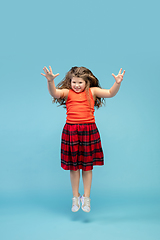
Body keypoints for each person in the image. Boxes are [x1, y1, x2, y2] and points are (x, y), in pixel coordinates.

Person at [41, 66, 125, 213]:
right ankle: (75, 197)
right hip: (71, 131)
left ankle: (86, 198)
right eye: (74, 82)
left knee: (87, 167)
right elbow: (54, 93)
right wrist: (50, 81)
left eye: (80, 82)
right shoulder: (67, 93)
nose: (77, 85)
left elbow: (110, 93)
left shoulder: (92, 91)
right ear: (70, 81)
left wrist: (117, 83)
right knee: (73, 167)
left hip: (89, 131)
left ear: (87, 82)